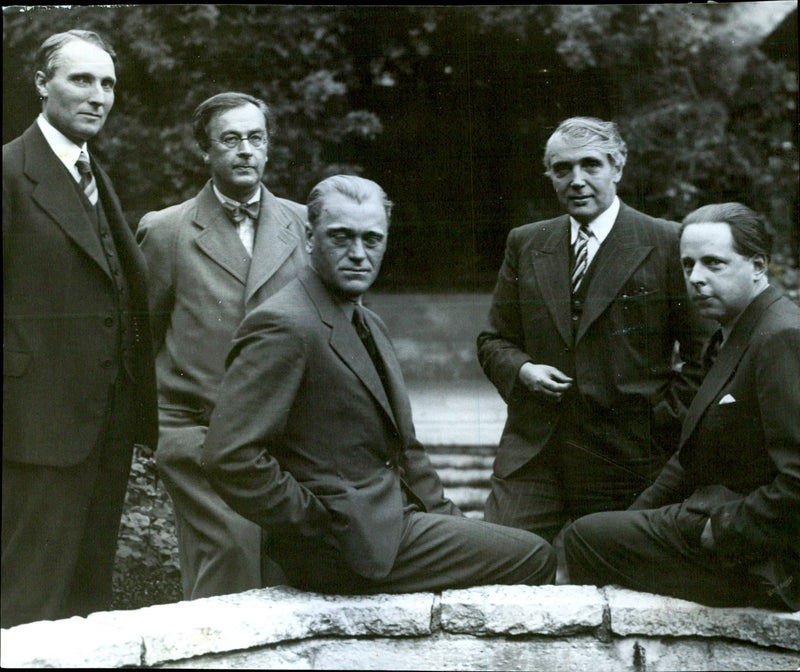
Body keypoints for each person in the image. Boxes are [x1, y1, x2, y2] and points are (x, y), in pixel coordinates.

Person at [201, 175, 556, 593]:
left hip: (385, 525)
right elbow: (229, 457)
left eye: (372, 240)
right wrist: (319, 523)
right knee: (534, 556)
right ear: (310, 238)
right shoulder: (284, 323)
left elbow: (408, 451)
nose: (358, 254)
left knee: (511, 548)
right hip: (341, 546)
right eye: (341, 238)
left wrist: (451, 523)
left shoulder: (368, 321)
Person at [477, 117, 709, 543]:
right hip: (536, 453)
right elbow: (494, 340)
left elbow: (705, 352)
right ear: (550, 175)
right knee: (498, 558)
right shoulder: (526, 243)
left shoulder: (667, 241)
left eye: (591, 165)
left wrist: (659, 419)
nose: (577, 180)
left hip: (629, 458)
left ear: (617, 167)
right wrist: (524, 370)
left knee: (617, 574)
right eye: (562, 169)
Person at [565, 203, 800, 610]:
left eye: (714, 264)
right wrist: (634, 516)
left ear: (759, 265)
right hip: (721, 520)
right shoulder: (733, 333)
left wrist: (725, 529)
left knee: (585, 541)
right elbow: (687, 457)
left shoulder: (779, 336)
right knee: (592, 533)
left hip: (767, 558)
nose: (696, 279)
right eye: (688, 264)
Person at [2, 29, 157, 627]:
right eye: (81, 79)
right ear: (42, 84)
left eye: (108, 83)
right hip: (33, 432)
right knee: (25, 606)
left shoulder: (93, 175)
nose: (99, 96)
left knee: (87, 613)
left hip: (104, 431)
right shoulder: (11, 172)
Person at [136, 92, 308, 599]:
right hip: (200, 435)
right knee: (229, 559)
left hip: (287, 440)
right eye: (230, 139)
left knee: (289, 574)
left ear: (269, 146)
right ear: (204, 151)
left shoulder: (304, 225)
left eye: (255, 138)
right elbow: (141, 338)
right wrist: (160, 431)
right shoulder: (167, 231)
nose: (245, 151)